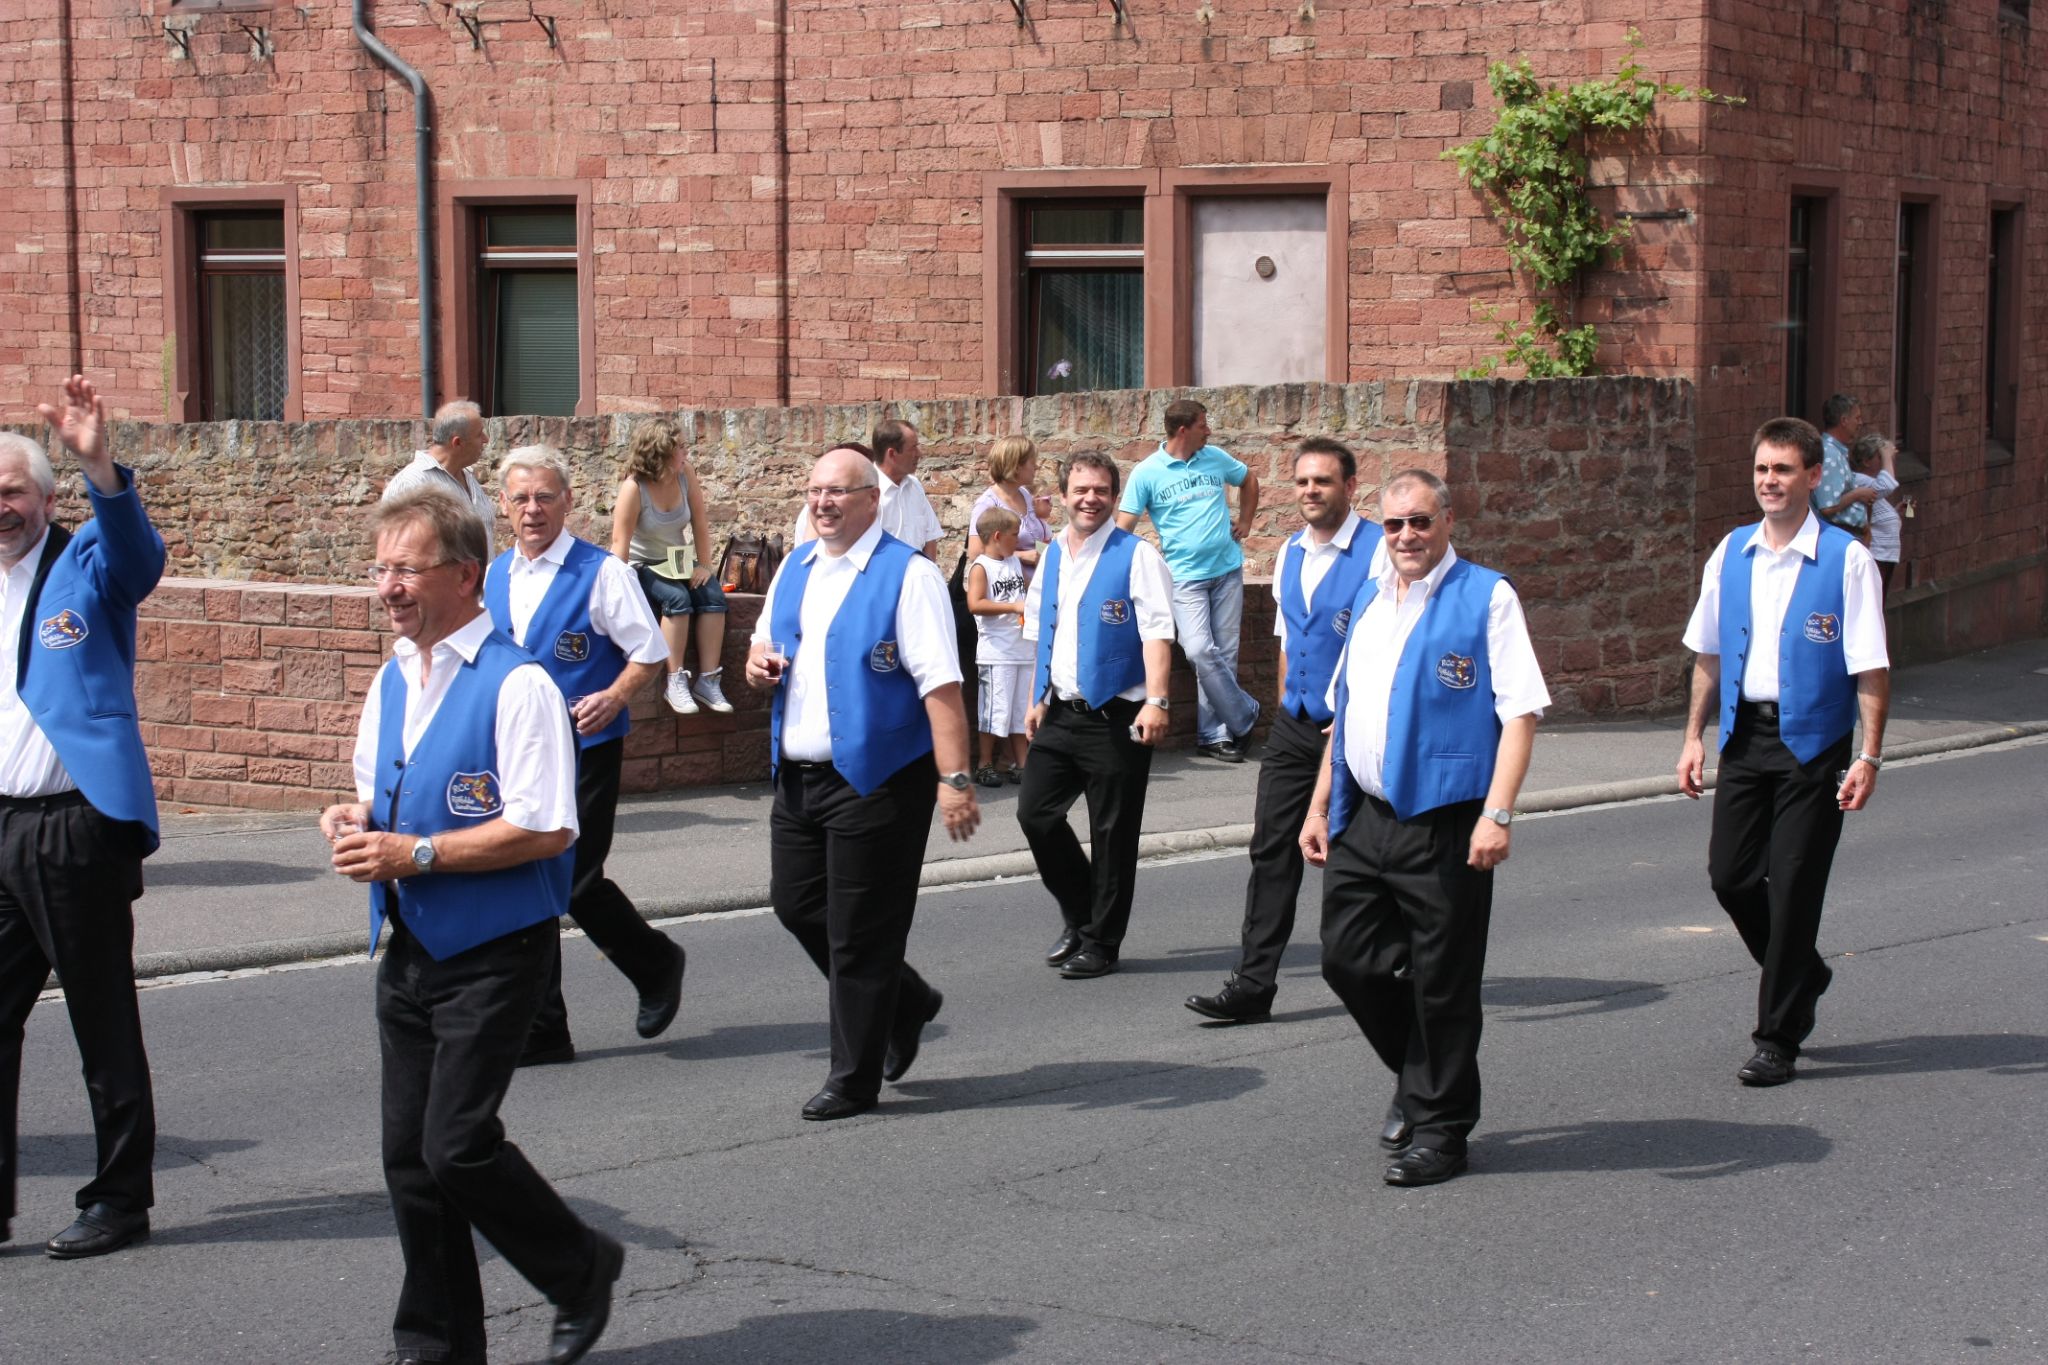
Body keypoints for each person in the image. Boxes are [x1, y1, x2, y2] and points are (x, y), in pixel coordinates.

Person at [322, 487, 623, 1365]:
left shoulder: (518, 681)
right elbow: (385, 797)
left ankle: (580, 1267)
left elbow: (546, 828)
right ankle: (439, 1341)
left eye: (405, 569)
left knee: (455, 1145)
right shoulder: (392, 677)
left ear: (466, 574)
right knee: (410, 1161)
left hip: (494, 953)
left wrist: (412, 854)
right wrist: (349, 819)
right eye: (380, 569)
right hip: (410, 948)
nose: (388, 587)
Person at [1301, 468, 1549, 1188]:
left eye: (1420, 521)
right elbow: (1342, 711)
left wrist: (1497, 813)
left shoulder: (1487, 597)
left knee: (1443, 981)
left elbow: (1521, 712)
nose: (1407, 535)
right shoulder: (1372, 598)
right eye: (1394, 523)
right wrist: (1320, 807)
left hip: (1448, 819)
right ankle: (1421, 1074)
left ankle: (1442, 1128)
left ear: (1447, 522)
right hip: (1367, 816)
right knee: (1346, 959)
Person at [745, 444, 980, 1121]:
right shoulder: (795, 565)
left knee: (859, 935)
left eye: (838, 492)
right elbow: (762, 646)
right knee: (796, 905)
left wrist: (955, 780)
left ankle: (853, 1077)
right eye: (814, 490)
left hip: (878, 779)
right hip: (798, 777)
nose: (822, 502)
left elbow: (941, 685)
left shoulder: (908, 576)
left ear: (872, 500)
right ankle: (906, 1000)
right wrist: (757, 665)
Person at [0, 376, 164, 1259]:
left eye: (14, 491)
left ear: (47, 497)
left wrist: (101, 463)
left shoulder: (87, 562)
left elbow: (140, 558)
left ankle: (120, 1198)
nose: (2, 508)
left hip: (74, 823)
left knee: (99, 1016)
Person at [1677, 416, 1890, 1088]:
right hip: (1746, 736)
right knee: (1731, 877)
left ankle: (1777, 1037)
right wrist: (1692, 736)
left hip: (1816, 745)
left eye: (1784, 470)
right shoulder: (1731, 552)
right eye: (1763, 469)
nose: (1771, 481)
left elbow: (1872, 668)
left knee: (1795, 888)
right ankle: (1805, 971)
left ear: (1813, 476)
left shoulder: (1846, 559)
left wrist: (1870, 756)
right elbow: (1708, 652)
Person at [485, 445, 690, 1067]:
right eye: (520, 498)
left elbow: (650, 653)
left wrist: (614, 694)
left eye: (545, 496)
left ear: (568, 502)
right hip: (514, 757)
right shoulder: (493, 576)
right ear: (502, 505)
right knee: (524, 880)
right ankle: (546, 1030)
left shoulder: (603, 573)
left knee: (571, 879)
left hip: (587, 746)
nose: (533, 509)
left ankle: (655, 963)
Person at [1187, 439, 1383, 1024]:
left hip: (1355, 728)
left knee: (1362, 857)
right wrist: (1282, 707)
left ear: (1350, 486)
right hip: (1297, 729)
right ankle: (1253, 986)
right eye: (1301, 482)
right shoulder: (1290, 551)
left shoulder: (1377, 551)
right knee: (1271, 850)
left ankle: (1378, 969)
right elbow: (1286, 638)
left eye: (1323, 481)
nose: (1311, 491)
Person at [1018, 452, 1176, 980]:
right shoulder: (1053, 554)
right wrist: (1038, 697)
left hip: (1119, 713)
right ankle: (1081, 912)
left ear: (1114, 497)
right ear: (1062, 495)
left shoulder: (1138, 555)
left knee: (1113, 833)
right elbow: (1044, 629)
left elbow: (1157, 630)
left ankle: (1102, 942)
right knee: (1035, 815)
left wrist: (1157, 700)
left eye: (1102, 490)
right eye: (1081, 490)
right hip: (1061, 711)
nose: (1091, 499)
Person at [1116, 399, 1262, 762]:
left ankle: (1214, 735)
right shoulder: (1147, 472)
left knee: (1223, 657)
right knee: (1198, 650)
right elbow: (1124, 528)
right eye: (1203, 424)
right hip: (1184, 579)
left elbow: (1249, 480)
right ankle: (1243, 716)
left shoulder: (1214, 458)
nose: (1208, 430)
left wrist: (1245, 521)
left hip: (1227, 570)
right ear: (1184, 430)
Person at [611, 417, 732, 716]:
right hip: (645, 564)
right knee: (677, 599)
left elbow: (700, 523)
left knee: (713, 596)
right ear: (660, 452)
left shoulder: (684, 474)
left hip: (678, 561)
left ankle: (708, 680)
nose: (686, 453)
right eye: (680, 447)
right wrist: (617, 592)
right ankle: (674, 680)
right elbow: (619, 544)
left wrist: (705, 565)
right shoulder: (634, 488)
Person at [791, 421, 942, 559]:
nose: (919, 454)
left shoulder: (914, 486)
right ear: (892, 454)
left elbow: (930, 537)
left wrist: (925, 573)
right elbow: (815, 550)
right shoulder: (861, 492)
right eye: (912, 448)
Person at [965, 506, 1032, 786]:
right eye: (1014, 535)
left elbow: (1024, 592)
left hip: (1022, 647)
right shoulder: (981, 567)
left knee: (1019, 710)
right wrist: (1012, 606)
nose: (1017, 540)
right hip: (998, 651)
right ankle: (984, 763)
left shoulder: (1013, 562)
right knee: (994, 710)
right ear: (997, 535)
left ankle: (1023, 763)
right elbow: (975, 604)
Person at [384, 399, 498, 555]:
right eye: (479, 435)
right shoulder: (412, 483)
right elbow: (396, 552)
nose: (486, 440)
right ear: (457, 443)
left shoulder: (468, 477)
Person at [964, 435, 1052, 578]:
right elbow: (975, 553)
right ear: (1017, 466)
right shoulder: (987, 504)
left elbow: (1033, 539)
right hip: (1009, 592)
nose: (1037, 466)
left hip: (1037, 586)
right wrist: (1021, 556)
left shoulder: (1024, 494)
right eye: (1032, 462)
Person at [1810, 393, 1876, 537]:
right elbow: (1827, 506)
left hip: (1844, 535)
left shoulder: (1834, 451)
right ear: (1844, 420)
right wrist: (1858, 494)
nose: (1860, 423)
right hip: (1838, 536)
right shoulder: (1830, 454)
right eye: (1857, 418)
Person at [1848, 432, 1903, 591]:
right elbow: (1888, 485)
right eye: (1881, 458)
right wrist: (1886, 452)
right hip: (1875, 553)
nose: (1887, 463)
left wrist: (1893, 514)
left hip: (1885, 554)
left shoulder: (1871, 484)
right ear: (1866, 461)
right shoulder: (1859, 479)